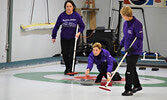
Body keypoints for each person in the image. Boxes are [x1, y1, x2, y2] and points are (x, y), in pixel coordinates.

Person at [52, 1, 85, 75]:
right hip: (64, 37)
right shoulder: (62, 16)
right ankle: (67, 68)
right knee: (65, 53)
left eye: (70, 6)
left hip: (73, 38)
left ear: (73, 7)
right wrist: (53, 36)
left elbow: (82, 26)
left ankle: (71, 68)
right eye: (67, 6)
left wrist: (79, 33)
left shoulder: (76, 15)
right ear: (65, 7)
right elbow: (56, 26)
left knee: (71, 54)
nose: (68, 8)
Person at [118, 6, 143, 96]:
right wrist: (120, 45)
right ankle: (137, 85)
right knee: (132, 68)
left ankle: (128, 89)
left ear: (126, 15)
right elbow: (125, 36)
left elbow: (139, 39)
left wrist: (133, 47)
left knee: (129, 70)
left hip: (135, 51)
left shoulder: (137, 24)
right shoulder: (125, 23)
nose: (122, 17)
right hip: (128, 50)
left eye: (122, 15)